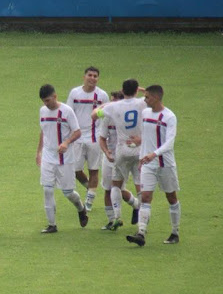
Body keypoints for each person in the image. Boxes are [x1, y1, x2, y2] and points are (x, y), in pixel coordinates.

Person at [126, 85, 181, 247]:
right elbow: (148, 136)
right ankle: (141, 233)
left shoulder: (169, 117)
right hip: (147, 164)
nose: (145, 100)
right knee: (146, 197)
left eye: (148, 97)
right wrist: (141, 148)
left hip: (165, 164)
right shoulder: (145, 113)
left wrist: (154, 154)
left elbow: (169, 143)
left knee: (171, 197)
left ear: (156, 98)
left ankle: (175, 231)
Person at [93, 79, 143, 231]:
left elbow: (94, 114)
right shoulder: (141, 104)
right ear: (135, 90)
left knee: (115, 185)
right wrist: (141, 90)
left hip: (121, 152)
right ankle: (141, 217)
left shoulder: (113, 108)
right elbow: (154, 96)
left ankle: (118, 216)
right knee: (139, 185)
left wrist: (105, 105)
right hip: (138, 150)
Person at [37, 85, 88, 233]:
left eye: (47, 100)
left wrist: (66, 142)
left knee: (68, 192)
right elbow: (44, 131)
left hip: (65, 158)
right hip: (48, 156)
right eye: (43, 101)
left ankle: (80, 207)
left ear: (55, 96)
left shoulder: (67, 111)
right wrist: (38, 152)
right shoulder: (42, 111)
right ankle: (52, 224)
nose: (46, 104)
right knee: (47, 189)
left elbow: (77, 132)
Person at [66, 66, 109, 211]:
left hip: (94, 137)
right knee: (75, 170)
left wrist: (105, 135)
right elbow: (68, 113)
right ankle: (90, 188)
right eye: (90, 75)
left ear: (98, 79)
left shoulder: (102, 95)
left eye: (95, 76)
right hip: (77, 137)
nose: (92, 78)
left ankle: (89, 202)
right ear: (84, 77)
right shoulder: (75, 93)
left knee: (93, 170)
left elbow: (107, 116)